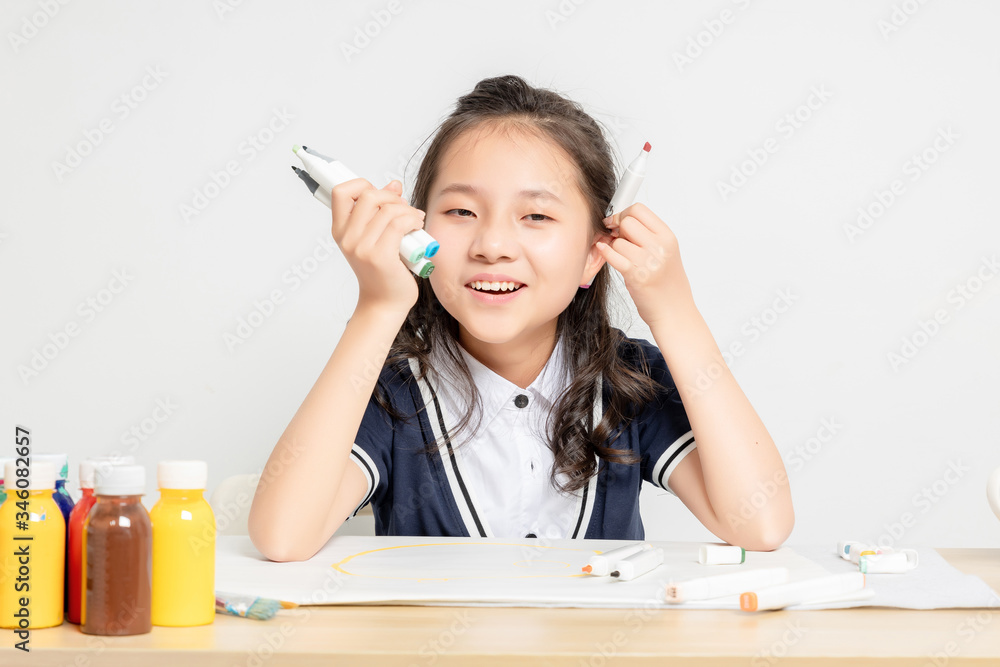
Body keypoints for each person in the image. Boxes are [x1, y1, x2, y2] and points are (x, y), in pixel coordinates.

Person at [248, 74, 793, 562]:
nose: (493, 245)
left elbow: (760, 525)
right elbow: (282, 538)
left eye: (536, 215)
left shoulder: (626, 380)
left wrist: (676, 313)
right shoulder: (389, 388)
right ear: (416, 230)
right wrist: (379, 305)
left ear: (593, 252)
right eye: (461, 212)